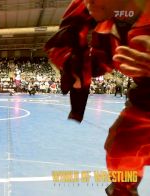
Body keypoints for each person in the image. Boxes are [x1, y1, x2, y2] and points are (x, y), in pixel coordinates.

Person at [45, 0, 150, 195]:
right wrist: (73, 64)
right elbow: (101, 64)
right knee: (121, 150)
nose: (86, 2)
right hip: (145, 97)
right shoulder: (110, 24)